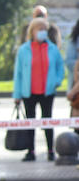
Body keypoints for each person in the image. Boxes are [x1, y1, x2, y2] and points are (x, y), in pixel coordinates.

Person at [11, 16, 65, 162]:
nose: (42, 32)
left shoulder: (52, 49)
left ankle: (50, 150)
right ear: (32, 31)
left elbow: (60, 67)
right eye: (39, 29)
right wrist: (17, 95)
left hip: (47, 91)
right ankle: (31, 150)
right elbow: (18, 74)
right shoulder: (24, 50)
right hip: (29, 92)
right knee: (30, 121)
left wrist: (56, 82)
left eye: (44, 29)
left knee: (47, 121)